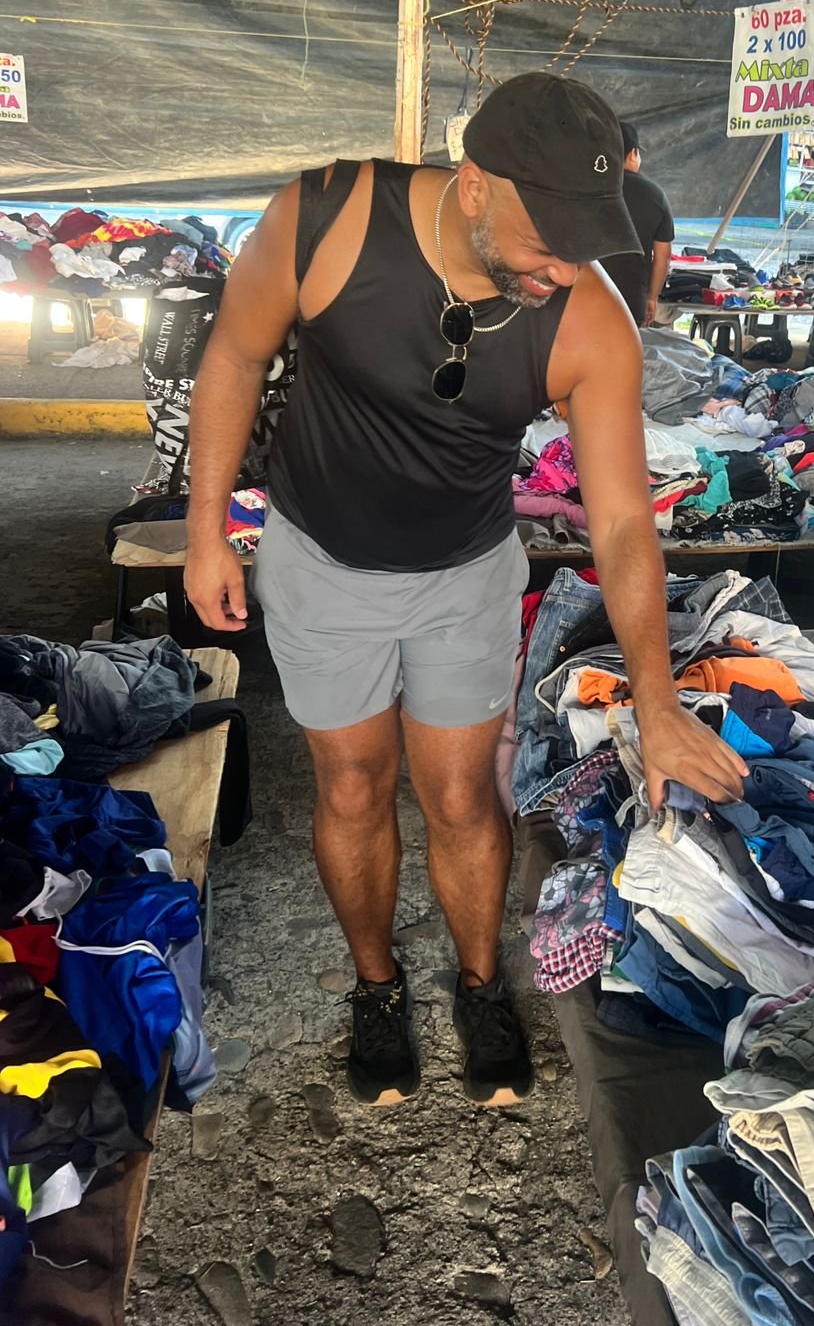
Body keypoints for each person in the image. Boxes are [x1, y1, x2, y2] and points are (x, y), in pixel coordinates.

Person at [183, 74, 747, 1112]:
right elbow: (235, 352)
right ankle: (377, 986)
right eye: (549, 243)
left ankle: (481, 984)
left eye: (585, 244)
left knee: (459, 796)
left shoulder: (589, 320)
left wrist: (659, 702)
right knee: (353, 786)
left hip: (466, 575)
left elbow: (624, 522)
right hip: (320, 560)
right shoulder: (325, 218)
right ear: (476, 184)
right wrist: (205, 528)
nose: (566, 269)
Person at [601, 120, 675, 326]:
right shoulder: (655, 195)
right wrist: (651, 297)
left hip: (583, 295)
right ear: (633, 154)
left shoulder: (583, 189)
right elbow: (663, 256)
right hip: (631, 297)